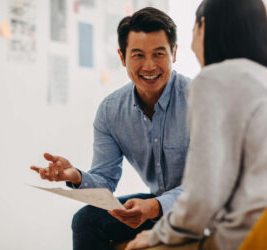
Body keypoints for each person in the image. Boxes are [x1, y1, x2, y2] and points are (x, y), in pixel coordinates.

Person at [31, 7, 191, 250]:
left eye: (159, 54)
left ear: (174, 53)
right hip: (158, 207)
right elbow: (105, 182)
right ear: (122, 57)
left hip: (203, 207)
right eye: (138, 55)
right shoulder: (110, 111)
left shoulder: (201, 100)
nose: (149, 66)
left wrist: (156, 206)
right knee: (86, 221)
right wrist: (75, 176)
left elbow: (212, 184)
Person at [125, 0, 267, 249]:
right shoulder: (260, 78)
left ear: (203, 26)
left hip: (250, 235)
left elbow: (203, 196)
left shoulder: (214, 80)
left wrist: (158, 235)